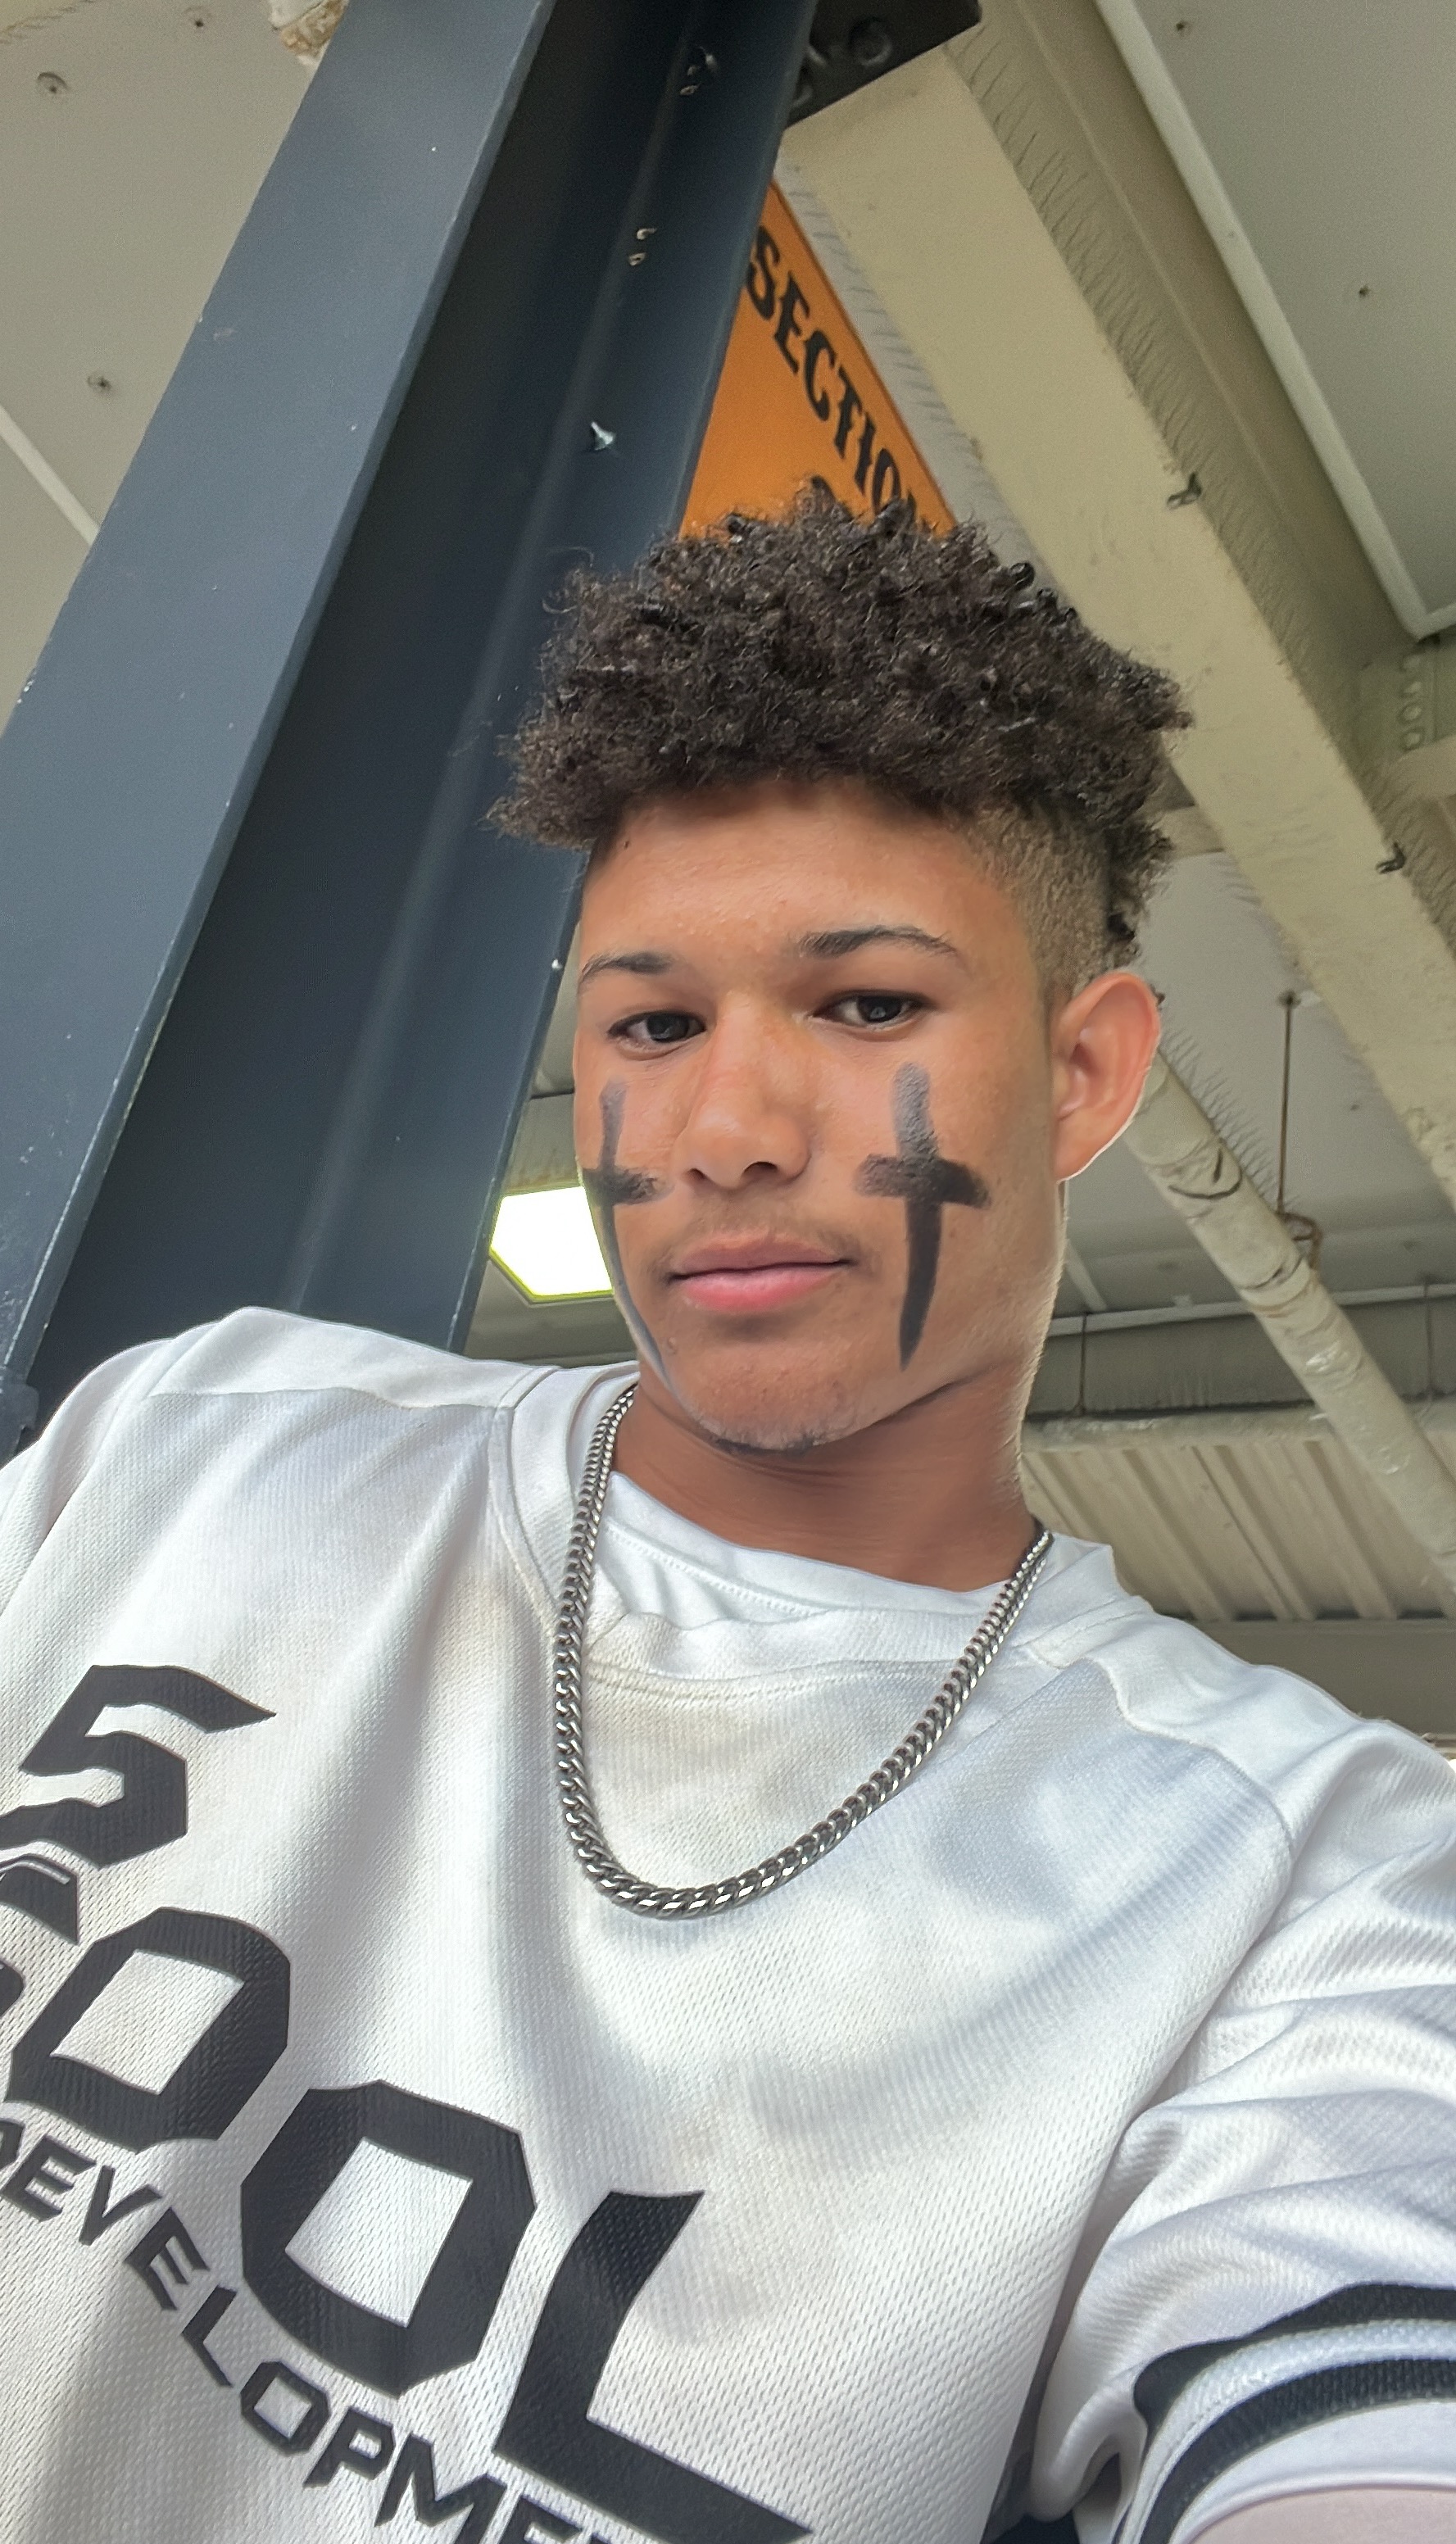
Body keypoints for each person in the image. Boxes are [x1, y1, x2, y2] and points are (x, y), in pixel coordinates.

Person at [0, 497, 1450, 2544]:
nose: (725, 1130)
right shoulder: (202, 1444)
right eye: (654, 1023)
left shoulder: (1301, 1875)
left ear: (1083, 1072)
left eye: (865, 1007)